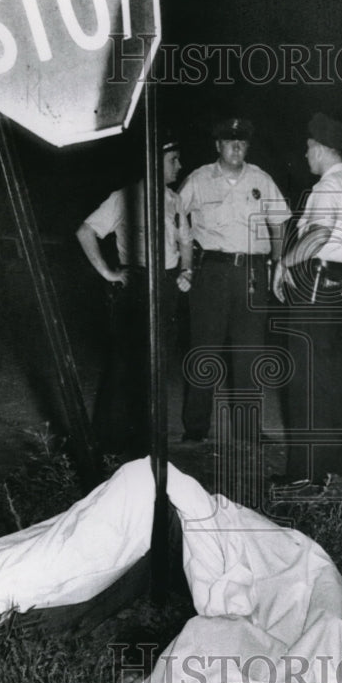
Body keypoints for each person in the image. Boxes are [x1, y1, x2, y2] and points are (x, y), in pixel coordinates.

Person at [272, 113, 342, 492]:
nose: (305, 155)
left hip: (317, 287)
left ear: (321, 148)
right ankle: (332, 468)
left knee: (306, 379)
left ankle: (304, 471)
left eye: (308, 148)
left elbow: (319, 233)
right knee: (337, 381)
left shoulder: (327, 188)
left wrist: (284, 264)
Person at [76, 134, 192, 459]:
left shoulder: (174, 200)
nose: (179, 166)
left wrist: (187, 270)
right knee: (125, 364)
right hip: (137, 285)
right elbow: (86, 232)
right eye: (173, 160)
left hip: (166, 285)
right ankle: (106, 444)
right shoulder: (124, 196)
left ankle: (146, 444)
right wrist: (109, 273)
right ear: (156, 163)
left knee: (157, 365)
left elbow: (186, 240)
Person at [178, 117, 290, 443]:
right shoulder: (199, 179)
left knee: (250, 352)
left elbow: (280, 222)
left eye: (242, 142)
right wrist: (182, 261)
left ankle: (248, 428)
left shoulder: (261, 179)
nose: (236, 147)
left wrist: (278, 261)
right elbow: (171, 213)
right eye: (229, 141)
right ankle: (196, 427)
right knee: (204, 349)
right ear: (218, 145)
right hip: (212, 271)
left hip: (253, 273)